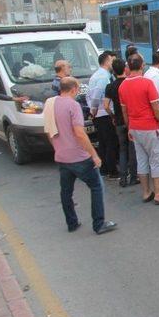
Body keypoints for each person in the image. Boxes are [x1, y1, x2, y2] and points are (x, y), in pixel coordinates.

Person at [45, 77, 117, 235]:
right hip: (78, 156)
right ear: (73, 89)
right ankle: (99, 223)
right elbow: (80, 133)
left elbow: (49, 131)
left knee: (66, 191)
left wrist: (57, 148)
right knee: (97, 186)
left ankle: (72, 222)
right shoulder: (73, 105)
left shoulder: (49, 104)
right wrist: (94, 155)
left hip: (62, 156)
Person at [119, 54, 159, 205]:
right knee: (157, 159)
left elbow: (124, 111)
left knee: (142, 160)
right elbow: (156, 108)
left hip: (134, 127)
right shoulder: (147, 83)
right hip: (150, 127)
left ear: (128, 67)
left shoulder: (123, 86)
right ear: (142, 65)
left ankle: (146, 192)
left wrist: (129, 127)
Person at [104, 58, 138, 187]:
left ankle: (123, 177)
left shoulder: (110, 86)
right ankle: (134, 176)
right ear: (125, 69)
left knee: (122, 149)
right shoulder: (129, 83)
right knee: (133, 149)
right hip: (131, 119)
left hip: (118, 120)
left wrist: (112, 115)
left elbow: (106, 105)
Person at [87, 51, 119, 179]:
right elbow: (97, 95)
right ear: (107, 61)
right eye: (112, 60)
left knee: (104, 142)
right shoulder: (102, 77)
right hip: (103, 113)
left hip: (100, 113)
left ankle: (105, 169)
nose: (114, 63)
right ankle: (112, 170)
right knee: (110, 142)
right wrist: (93, 109)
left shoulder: (100, 75)